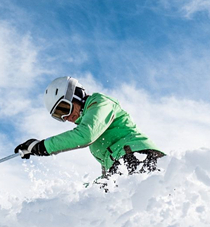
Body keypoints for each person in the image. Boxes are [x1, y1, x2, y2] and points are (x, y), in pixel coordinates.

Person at [15, 76, 164, 185]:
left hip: (140, 156)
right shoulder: (92, 131)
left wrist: (43, 146)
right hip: (125, 162)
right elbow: (109, 170)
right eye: (59, 116)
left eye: (64, 108)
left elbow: (85, 135)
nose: (66, 117)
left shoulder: (100, 103)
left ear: (76, 95)